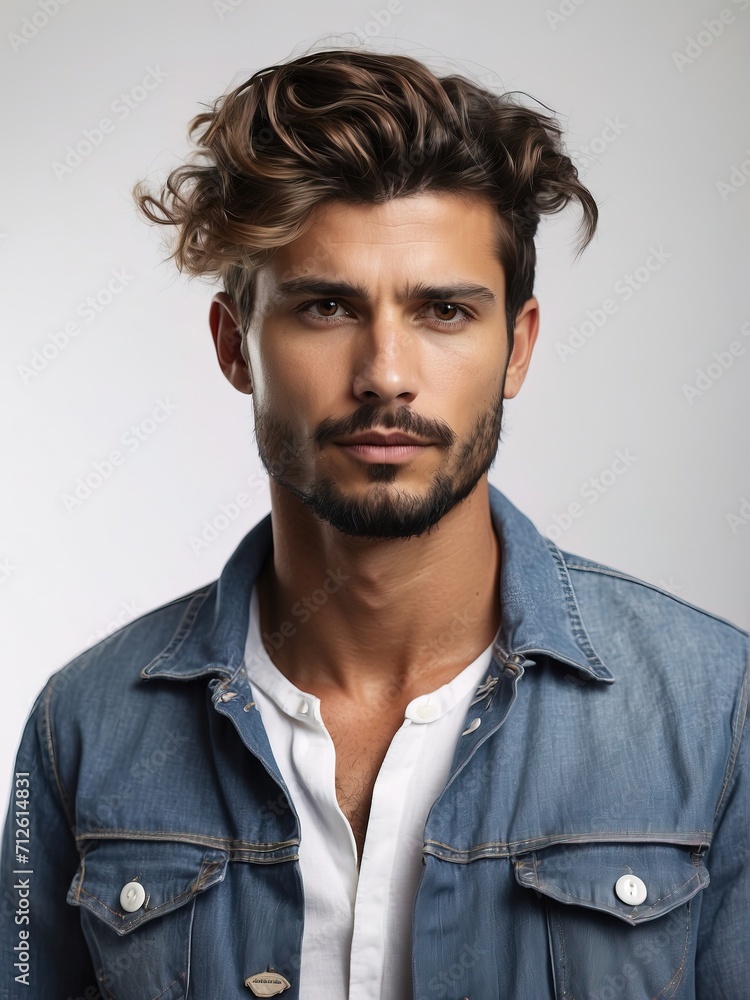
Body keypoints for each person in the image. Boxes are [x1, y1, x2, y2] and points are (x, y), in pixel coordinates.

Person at [1, 47, 747, 1000]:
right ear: (236, 345)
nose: (386, 373)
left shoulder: (717, 710)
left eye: (443, 310)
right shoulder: (84, 726)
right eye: (325, 306)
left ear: (516, 347)